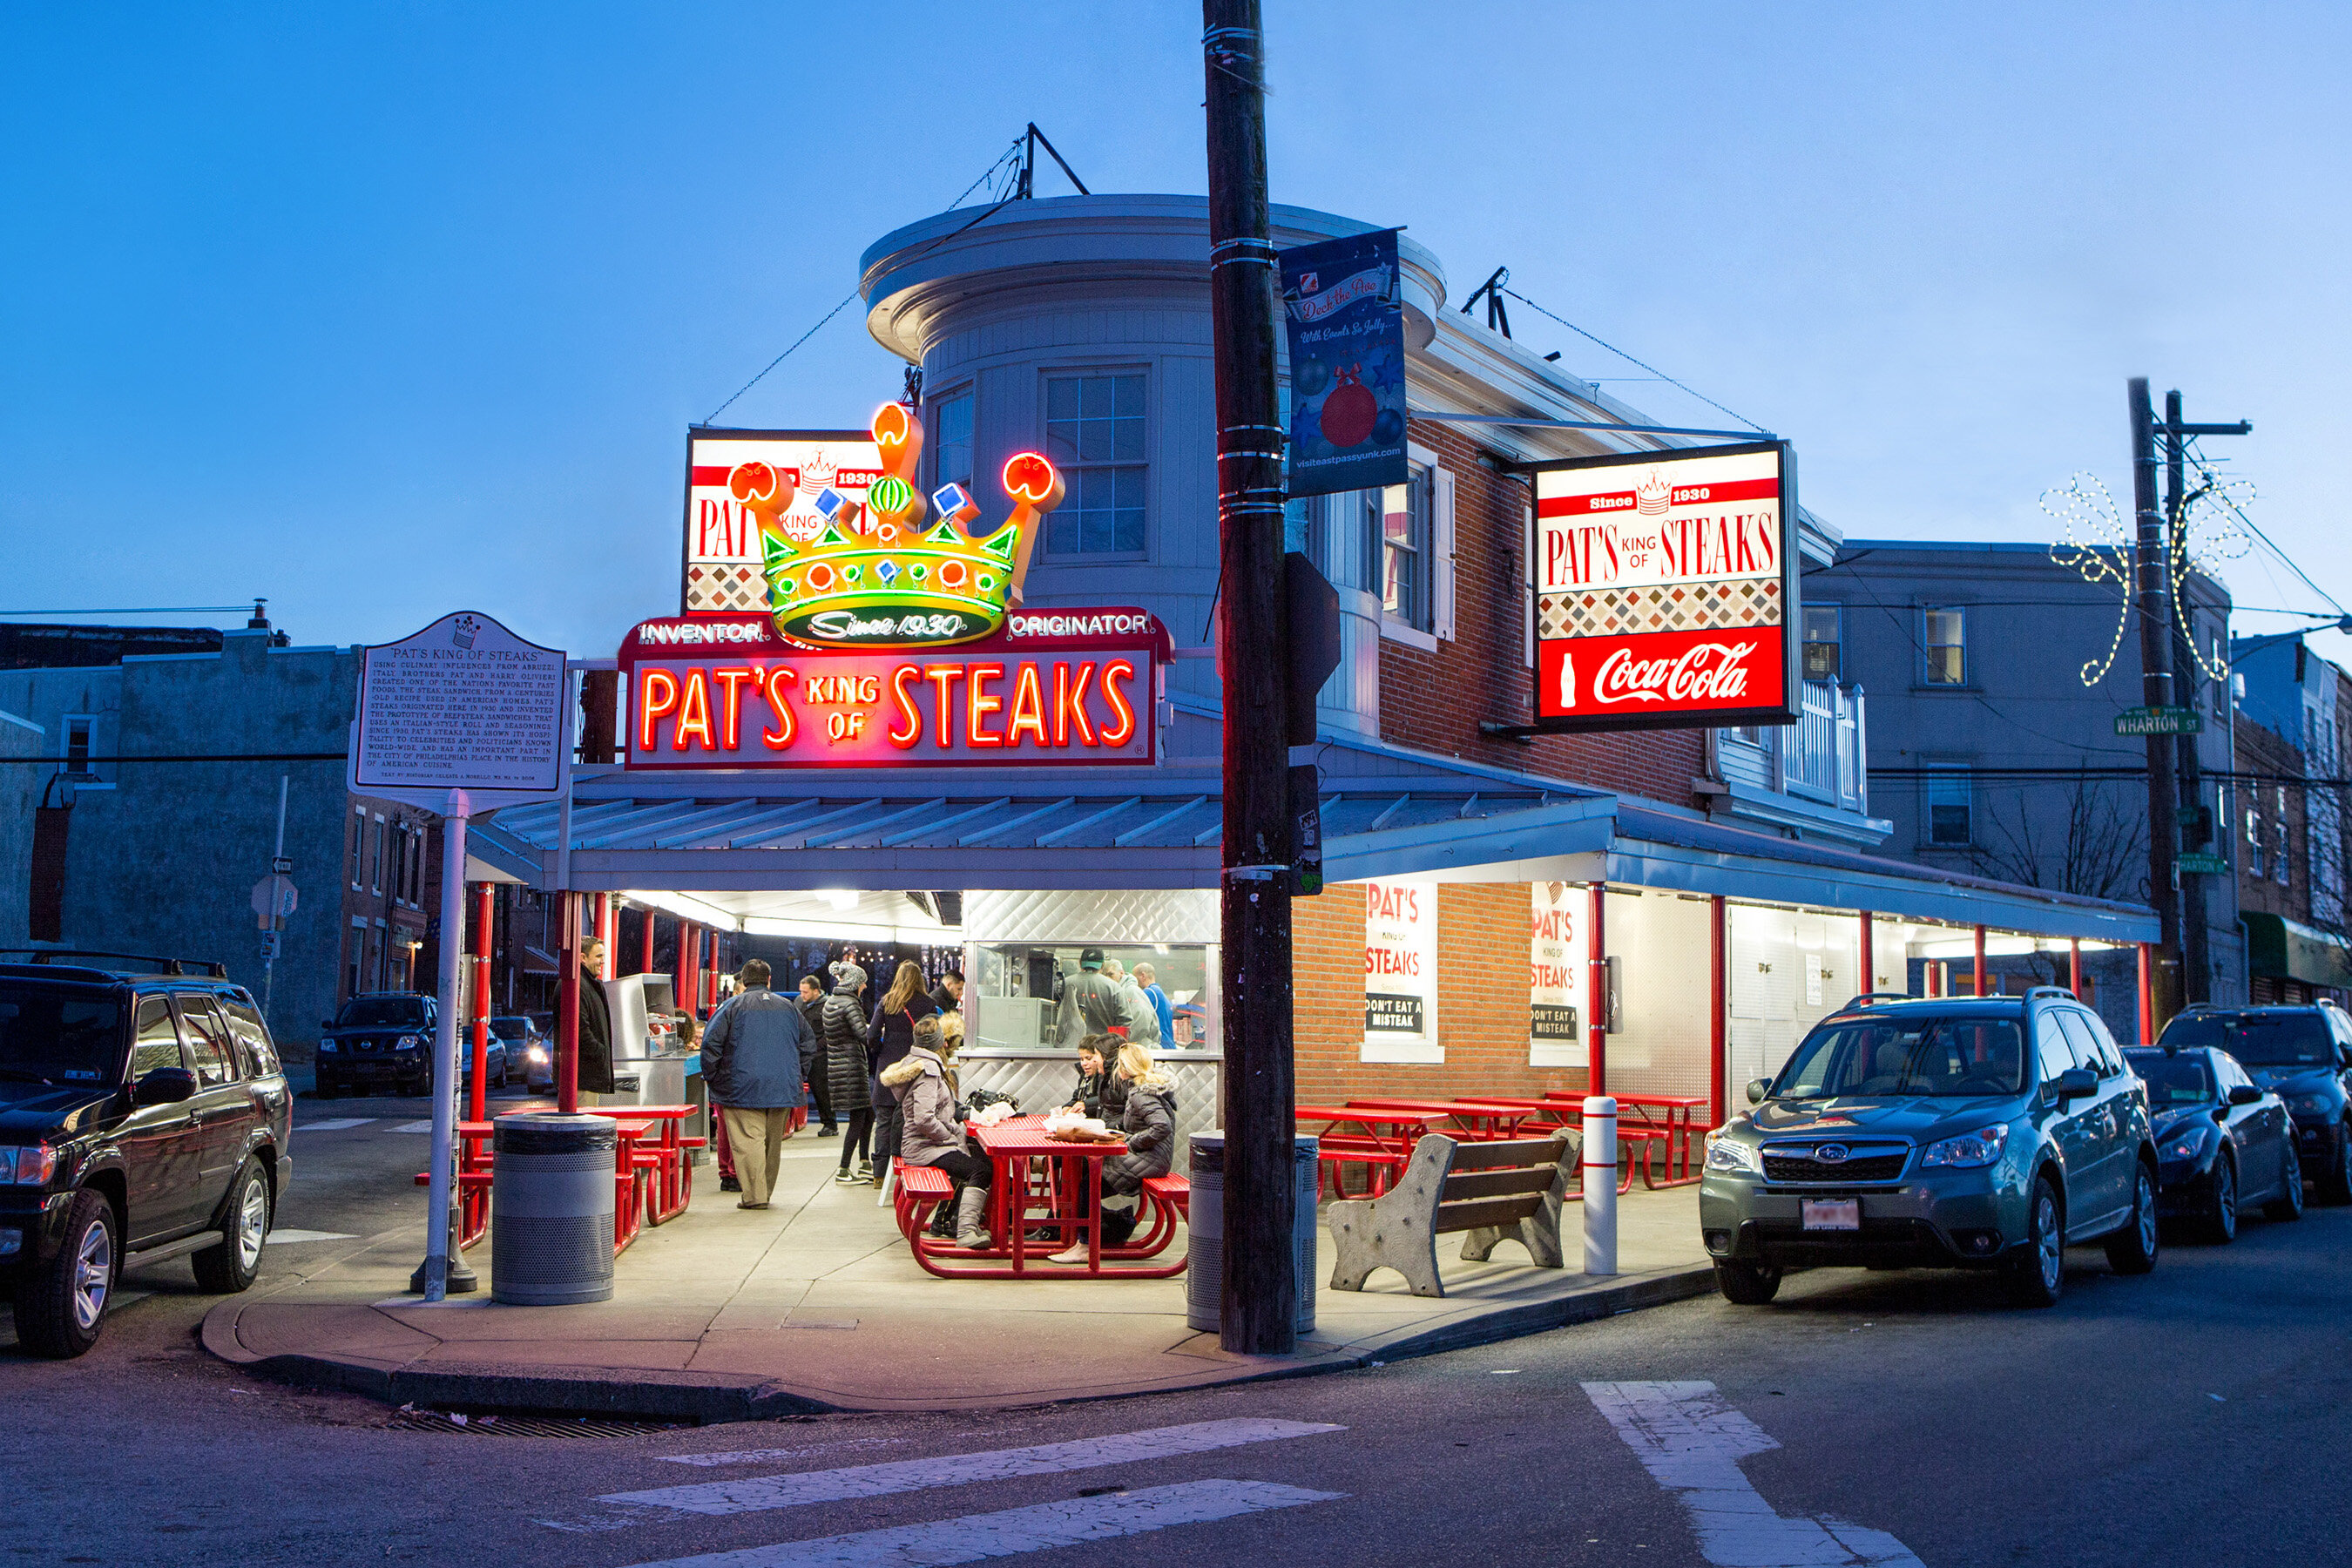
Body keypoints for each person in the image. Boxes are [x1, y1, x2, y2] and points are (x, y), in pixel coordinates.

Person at [1047, 1041, 1177, 1263]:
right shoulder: (1142, 1089)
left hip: (1148, 1160)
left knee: (1086, 1187)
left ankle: (1085, 1246)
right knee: (1085, 1182)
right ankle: (1080, 1241)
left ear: (1125, 1068)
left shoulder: (1140, 1094)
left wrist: (1131, 1142)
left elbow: (1161, 1126)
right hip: (1150, 1158)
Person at [697, 959, 809, 1210]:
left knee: (749, 1142)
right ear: (769, 980)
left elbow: (711, 1046)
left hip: (741, 1087)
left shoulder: (730, 1007)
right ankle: (765, 1192)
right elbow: (808, 1045)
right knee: (772, 1145)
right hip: (782, 1087)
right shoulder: (790, 1008)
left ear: (744, 981)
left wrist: (715, 1079)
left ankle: (755, 1196)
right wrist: (796, 1074)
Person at [881, 1014, 995, 1248]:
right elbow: (924, 1119)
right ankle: (964, 1232)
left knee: (981, 1159)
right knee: (980, 1170)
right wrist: (949, 1137)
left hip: (921, 1145)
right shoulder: (929, 1071)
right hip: (925, 1148)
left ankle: (964, 1225)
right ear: (940, 1043)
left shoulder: (915, 1063)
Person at [867, 961, 940, 1186]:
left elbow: (871, 1035)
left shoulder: (887, 1001)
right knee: (914, 1119)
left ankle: (880, 1175)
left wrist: (881, 1052)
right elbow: (933, 1036)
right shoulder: (928, 1003)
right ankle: (911, 1171)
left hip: (890, 1068)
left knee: (885, 1122)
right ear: (920, 980)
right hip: (915, 1067)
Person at [821, 969, 873, 1184]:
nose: (865, 987)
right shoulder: (851, 1004)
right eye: (863, 982)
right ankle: (843, 1169)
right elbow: (864, 1035)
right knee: (858, 1117)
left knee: (868, 1114)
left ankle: (864, 1162)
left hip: (837, 1066)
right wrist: (883, 1031)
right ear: (854, 983)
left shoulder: (831, 1001)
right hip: (851, 1067)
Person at [1054, 947, 1125, 1046]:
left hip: (1070, 1047)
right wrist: (1114, 1046)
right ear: (1102, 965)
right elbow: (1124, 1020)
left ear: (1080, 963)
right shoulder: (1114, 987)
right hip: (1102, 1048)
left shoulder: (1064, 983)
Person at [795, 974, 835, 1135]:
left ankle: (830, 1124)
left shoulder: (826, 1005)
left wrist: (817, 1048)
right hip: (802, 1053)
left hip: (820, 1055)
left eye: (805, 992)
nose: (802, 995)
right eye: (801, 991)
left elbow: (830, 1032)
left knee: (821, 1091)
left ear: (816, 991)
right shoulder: (799, 1003)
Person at [576, 938, 615, 1095]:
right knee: (585, 1118)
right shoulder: (580, 987)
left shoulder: (588, 985)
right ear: (583, 958)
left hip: (589, 1078)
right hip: (585, 1079)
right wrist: (600, 1052)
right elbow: (581, 1030)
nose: (603, 961)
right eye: (598, 956)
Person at [1061, 1034, 1127, 1122]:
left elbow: (1106, 1101)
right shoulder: (1085, 1077)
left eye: (1089, 1058)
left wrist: (1086, 1105)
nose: (1084, 1063)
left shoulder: (1112, 1079)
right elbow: (1078, 1097)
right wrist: (1069, 1105)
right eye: (1081, 1059)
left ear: (1106, 1056)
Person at [1103, 958, 1160, 1044]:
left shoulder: (1131, 991)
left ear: (1121, 973)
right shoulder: (1118, 993)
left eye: (1111, 974)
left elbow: (1141, 1021)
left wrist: (1123, 1042)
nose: (1108, 978)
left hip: (1140, 1049)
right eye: (1104, 975)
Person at [1131, 963, 1175, 1045]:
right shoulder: (1160, 993)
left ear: (1143, 976)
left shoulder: (1149, 993)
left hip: (1159, 1045)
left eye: (1134, 978)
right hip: (1168, 1044)